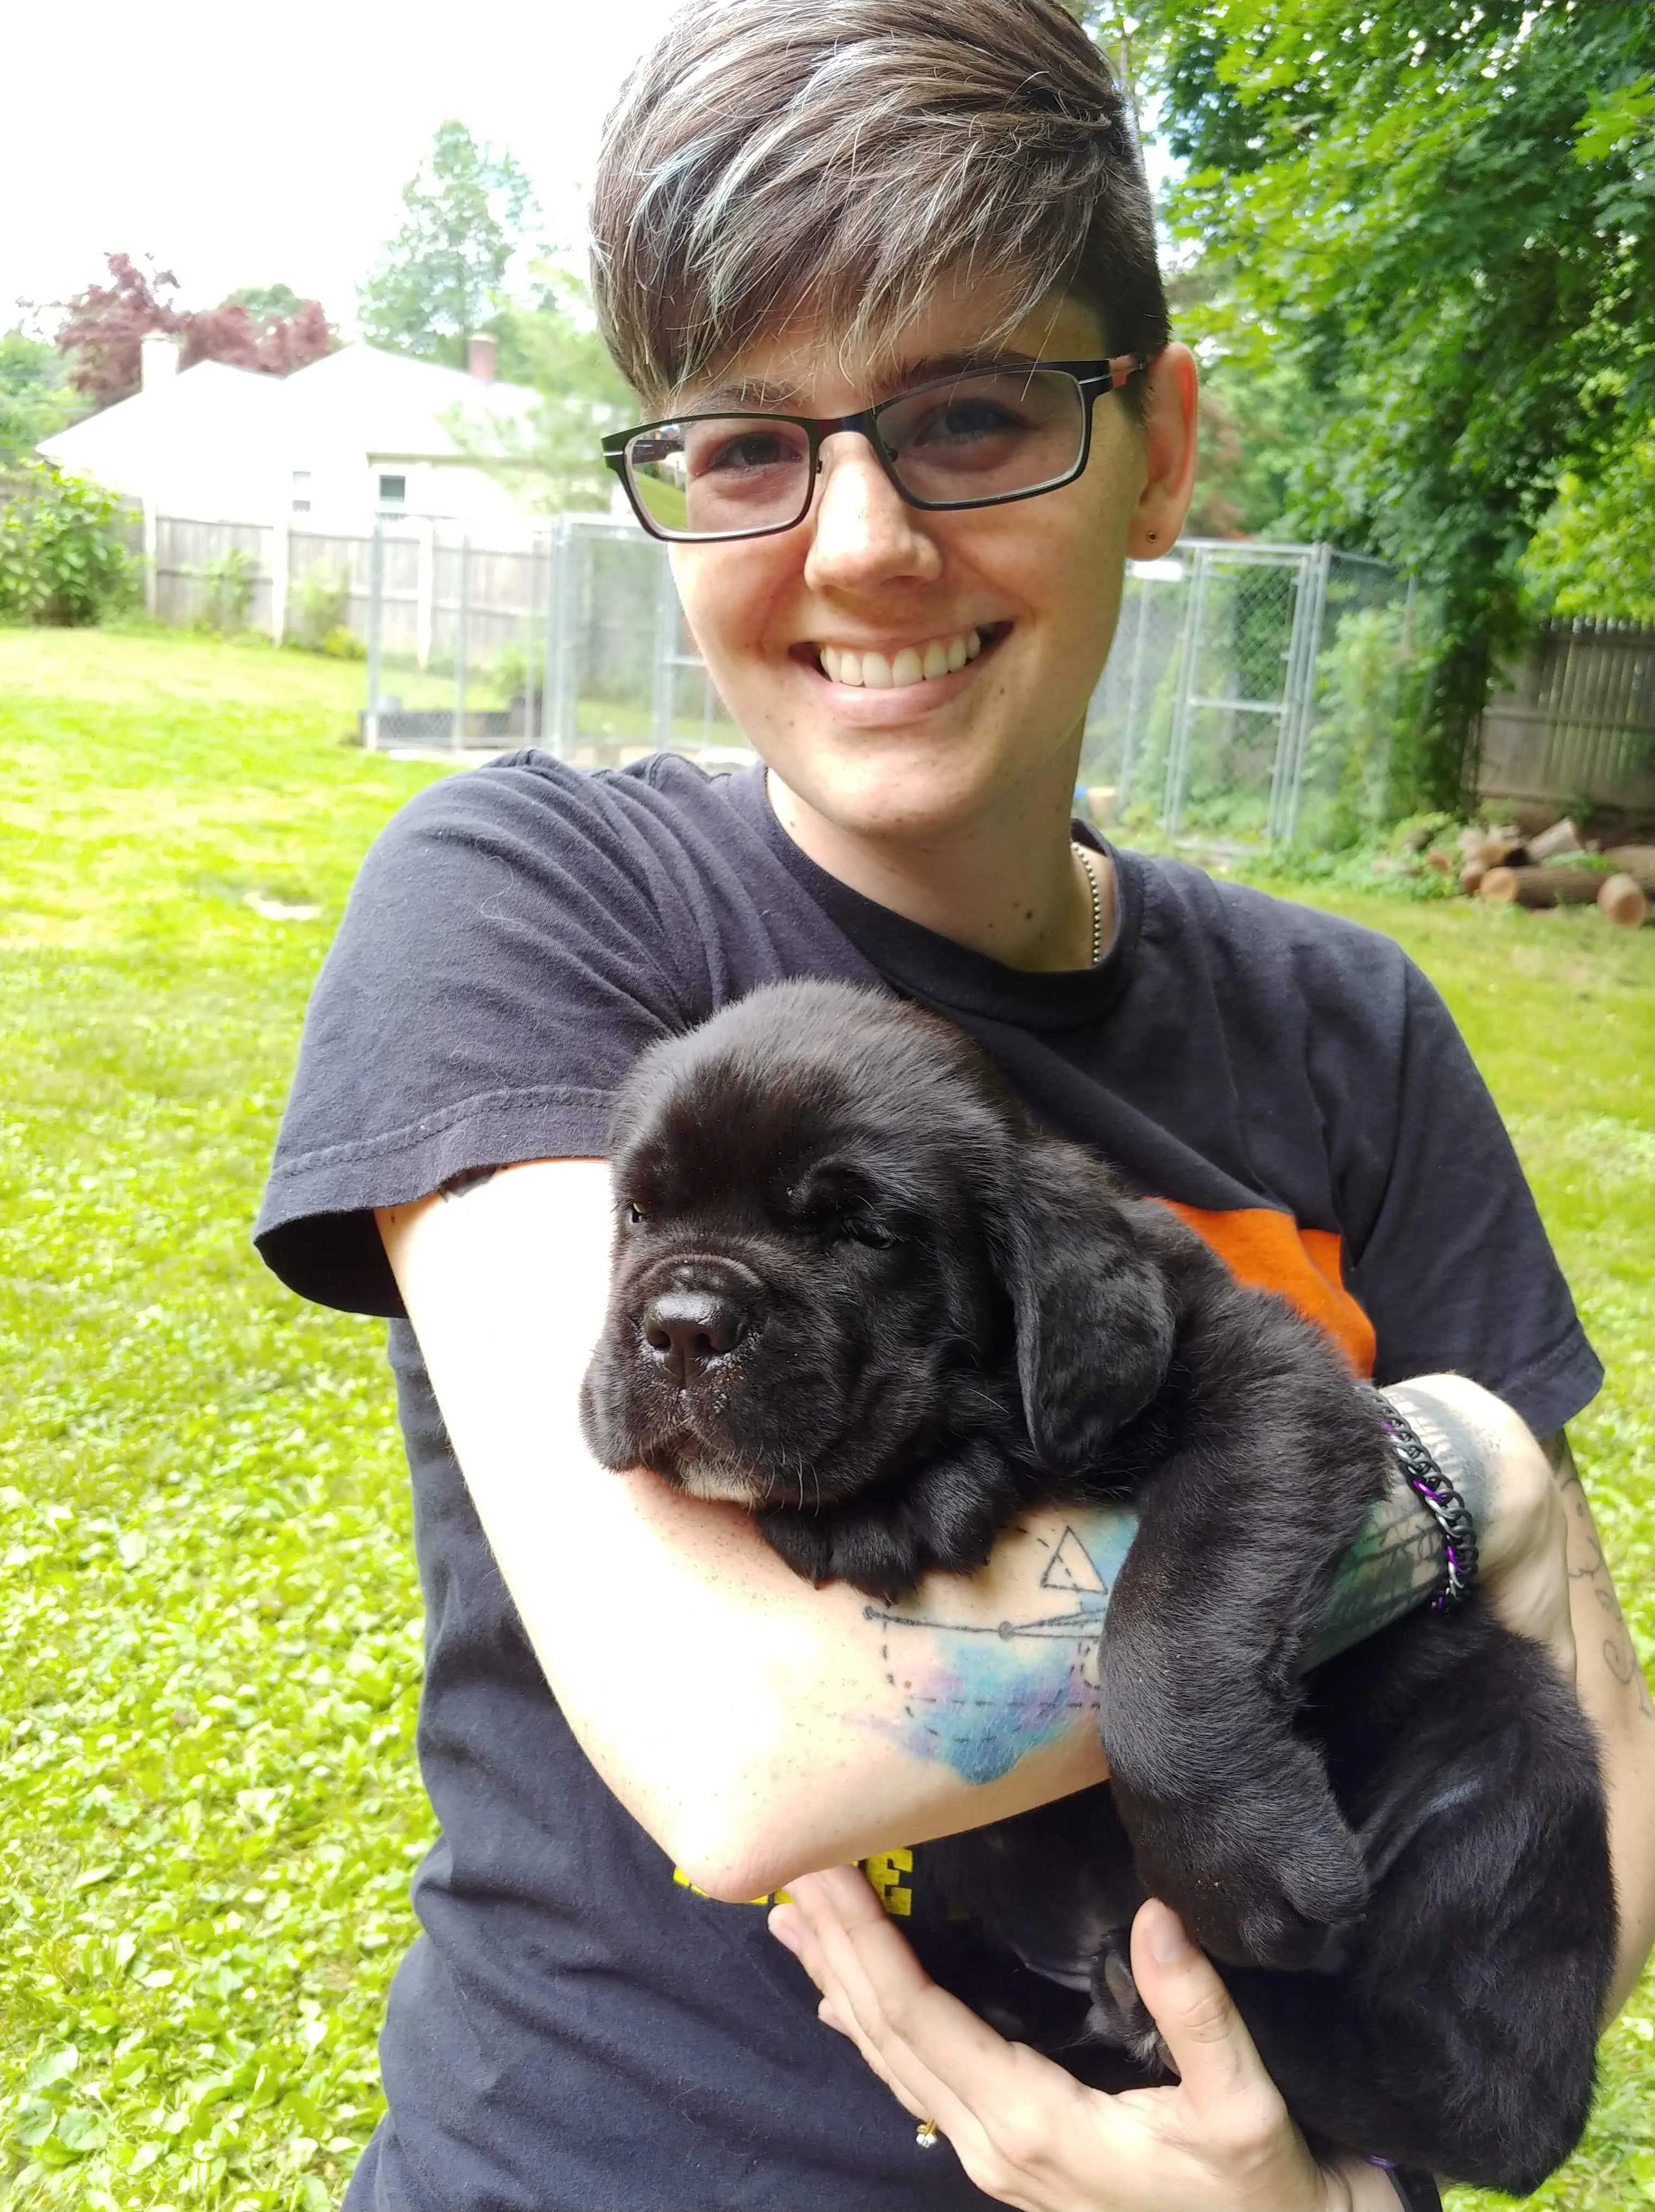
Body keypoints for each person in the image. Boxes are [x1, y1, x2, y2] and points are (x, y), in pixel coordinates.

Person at [253, 3, 1655, 2206]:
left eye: (972, 416)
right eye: (744, 447)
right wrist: (1466, 1470)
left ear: (1163, 442)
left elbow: (1572, 1751)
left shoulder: (1348, 1030)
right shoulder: (536, 899)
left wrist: (1333, 2185)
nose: (859, 546)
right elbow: (748, 1758)